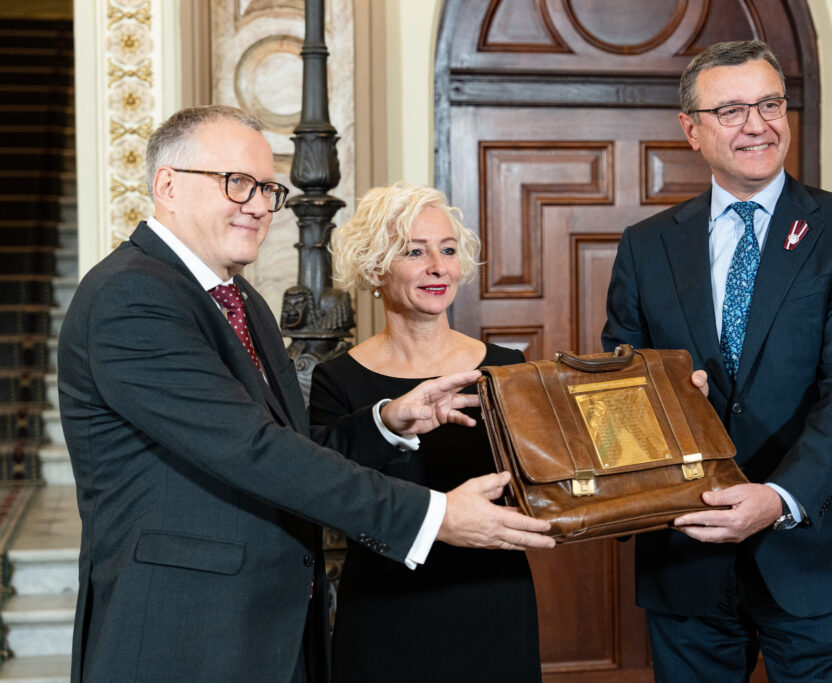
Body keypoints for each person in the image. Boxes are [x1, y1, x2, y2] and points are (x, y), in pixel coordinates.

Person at [57, 106, 554, 683]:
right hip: (184, 632)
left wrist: (387, 423)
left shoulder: (241, 301)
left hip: (264, 628)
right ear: (167, 185)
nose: (259, 206)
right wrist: (434, 516)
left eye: (267, 189)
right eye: (236, 182)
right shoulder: (131, 296)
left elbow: (292, 446)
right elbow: (253, 452)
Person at [601, 41, 832, 682]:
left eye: (769, 104)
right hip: (686, 546)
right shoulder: (646, 247)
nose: (757, 124)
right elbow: (617, 388)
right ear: (692, 130)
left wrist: (780, 496)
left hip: (814, 547)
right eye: (732, 110)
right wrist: (664, 397)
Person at [309, 182, 542, 682]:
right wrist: (389, 422)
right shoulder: (337, 379)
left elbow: (546, 480)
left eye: (448, 250)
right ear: (376, 268)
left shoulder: (507, 366)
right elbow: (325, 492)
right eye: (415, 252)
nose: (439, 267)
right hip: (385, 611)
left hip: (494, 602)